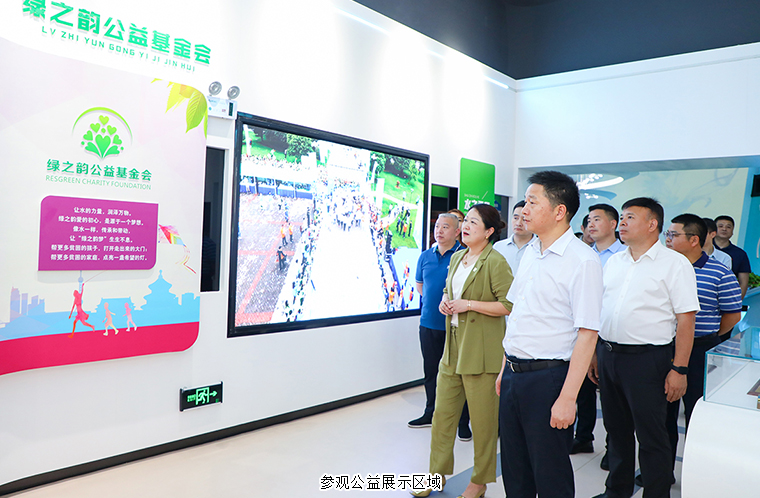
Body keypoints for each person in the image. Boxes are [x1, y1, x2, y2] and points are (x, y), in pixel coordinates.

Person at [498, 171, 603, 498]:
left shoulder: (582, 261)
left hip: (548, 379)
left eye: (532, 202)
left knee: (550, 473)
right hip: (514, 374)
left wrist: (568, 398)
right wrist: (504, 368)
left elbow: (588, 334)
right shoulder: (531, 251)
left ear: (559, 211)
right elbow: (518, 316)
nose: (524, 210)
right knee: (514, 469)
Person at [590, 197, 699, 498]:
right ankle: (617, 491)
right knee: (616, 431)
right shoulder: (615, 261)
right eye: (622, 217)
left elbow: (686, 320)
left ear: (652, 224)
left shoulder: (674, 264)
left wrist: (679, 369)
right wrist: (595, 353)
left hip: (648, 361)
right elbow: (602, 310)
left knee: (652, 436)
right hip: (609, 355)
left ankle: (656, 492)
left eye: (630, 217)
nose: (622, 223)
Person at [413, 204, 513, 498]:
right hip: (453, 346)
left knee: (483, 424)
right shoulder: (458, 257)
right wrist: (446, 301)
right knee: (442, 417)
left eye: (473, 222)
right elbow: (450, 290)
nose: (465, 226)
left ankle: (479, 482)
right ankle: (435, 475)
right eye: (465, 221)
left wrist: (469, 305)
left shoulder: (495, 262)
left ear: (489, 231)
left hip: (481, 352)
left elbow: (509, 305)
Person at [664, 214, 741, 477]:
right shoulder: (664, 268)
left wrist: (709, 335)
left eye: (674, 234)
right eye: (668, 234)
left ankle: (694, 474)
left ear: (694, 240)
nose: (668, 239)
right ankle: (663, 471)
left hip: (700, 350)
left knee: (696, 413)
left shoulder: (720, 272)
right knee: (663, 414)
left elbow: (732, 314)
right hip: (665, 348)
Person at [408, 213, 471, 442]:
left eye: (445, 227)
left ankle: (462, 422)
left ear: (457, 232)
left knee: (459, 374)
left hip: (455, 326)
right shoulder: (425, 256)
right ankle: (430, 412)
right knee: (431, 371)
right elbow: (420, 286)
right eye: (437, 226)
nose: (439, 231)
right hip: (428, 324)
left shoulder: (463, 256)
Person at [572, 203, 625, 458]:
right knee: (582, 390)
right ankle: (583, 437)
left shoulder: (625, 256)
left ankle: (613, 449)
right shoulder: (582, 255)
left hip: (612, 336)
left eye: (597, 220)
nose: (590, 225)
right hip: (584, 332)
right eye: (589, 220)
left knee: (613, 398)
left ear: (613, 224)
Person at [493, 200, 536, 275]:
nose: (518, 223)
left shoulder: (540, 248)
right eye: (516, 218)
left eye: (524, 219)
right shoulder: (498, 247)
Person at [713, 215, 751, 299]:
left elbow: (743, 283)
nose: (724, 229)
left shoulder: (740, 254)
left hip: (727, 296)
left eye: (728, 227)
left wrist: (736, 301)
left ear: (732, 231)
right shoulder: (703, 249)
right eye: (720, 226)